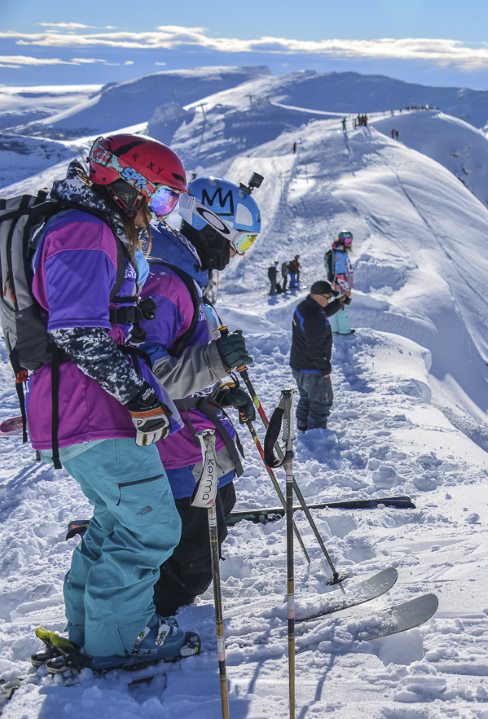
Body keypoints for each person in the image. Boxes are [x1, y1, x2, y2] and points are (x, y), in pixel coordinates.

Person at [28, 133, 198, 669]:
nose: (161, 212)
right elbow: (79, 331)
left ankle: (91, 632)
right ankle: (118, 642)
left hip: (81, 407)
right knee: (152, 526)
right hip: (92, 407)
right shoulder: (83, 230)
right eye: (163, 197)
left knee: (115, 521)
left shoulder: (85, 224)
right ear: (129, 184)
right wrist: (140, 396)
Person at [141, 175, 262, 616]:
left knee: (204, 534)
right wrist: (215, 362)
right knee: (190, 554)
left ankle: (151, 615)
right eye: (241, 242)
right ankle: (147, 622)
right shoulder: (166, 283)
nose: (236, 255)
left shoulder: (184, 279)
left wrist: (221, 393)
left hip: (192, 438)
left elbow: (184, 362)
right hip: (174, 448)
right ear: (213, 224)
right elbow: (151, 376)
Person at [290, 281, 349, 431]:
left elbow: (323, 312)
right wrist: (325, 369)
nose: (328, 299)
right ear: (316, 296)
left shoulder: (305, 307)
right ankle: (315, 436)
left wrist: (339, 302)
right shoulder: (314, 318)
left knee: (307, 399)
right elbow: (314, 350)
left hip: (299, 366)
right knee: (321, 403)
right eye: (327, 297)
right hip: (312, 369)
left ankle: (303, 428)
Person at [324, 230, 355, 335]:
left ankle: (336, 328)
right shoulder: (340, 254)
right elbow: (339, 273)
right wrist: (347, 288)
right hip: (340, 282)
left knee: (337, 304)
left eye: (350, 240)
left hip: (335, 284)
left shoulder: (337, 252)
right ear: (342, 240)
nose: (349, 243)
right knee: (344, 305)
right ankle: (345, 330)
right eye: (347, 240)